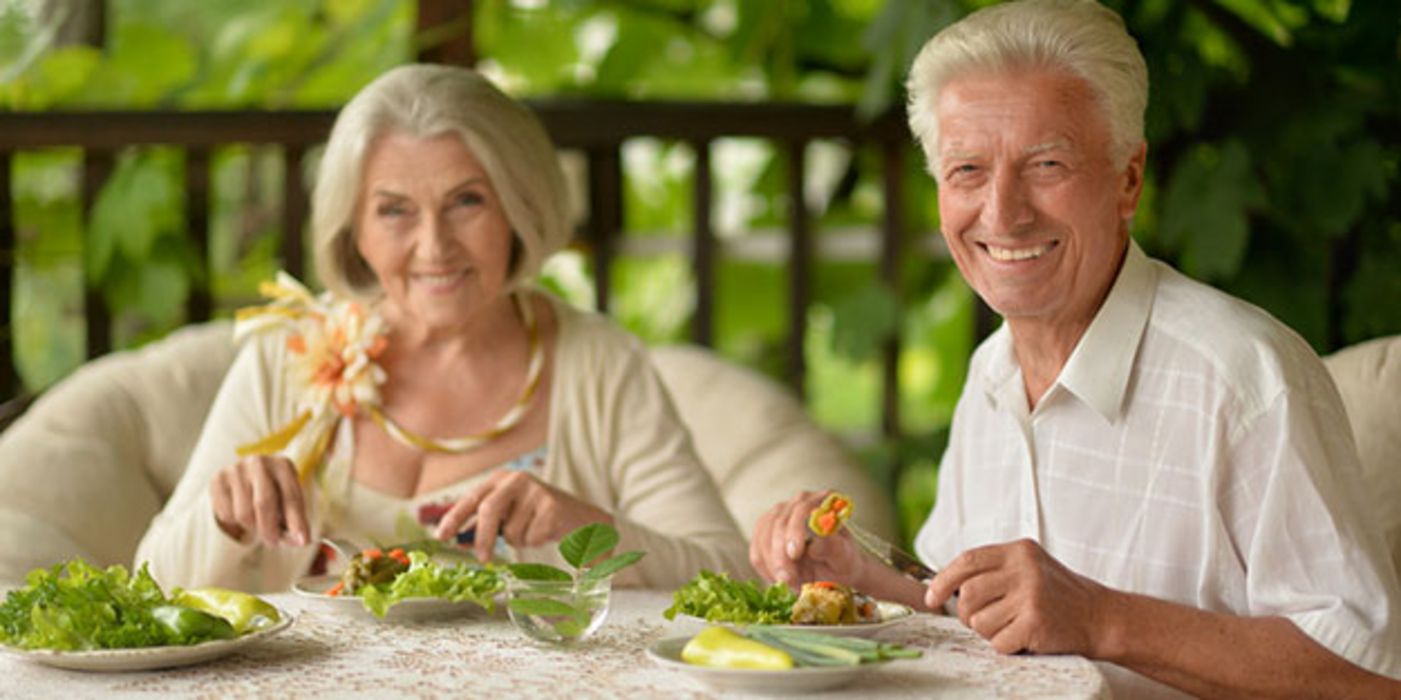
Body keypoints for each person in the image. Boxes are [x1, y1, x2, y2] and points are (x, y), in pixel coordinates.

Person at [748, 1, 1401, 697]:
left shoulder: (1244, 379)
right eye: (967, 169)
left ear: (1127, 179)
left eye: (1046, 163)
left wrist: (1102, 619)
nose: (1002, 213)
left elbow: (1369, 675)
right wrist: (859, 579)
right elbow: (976, 616)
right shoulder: (990, 372)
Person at [137, 64, 752, 592]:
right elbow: (151, 583)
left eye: (467, 201)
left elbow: (728, 573)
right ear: (353, 227)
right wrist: (225, 519)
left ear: (519, 205)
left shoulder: (599, 363)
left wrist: (585, 534)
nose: (433, 247)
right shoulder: (286, 355)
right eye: (394, 210)